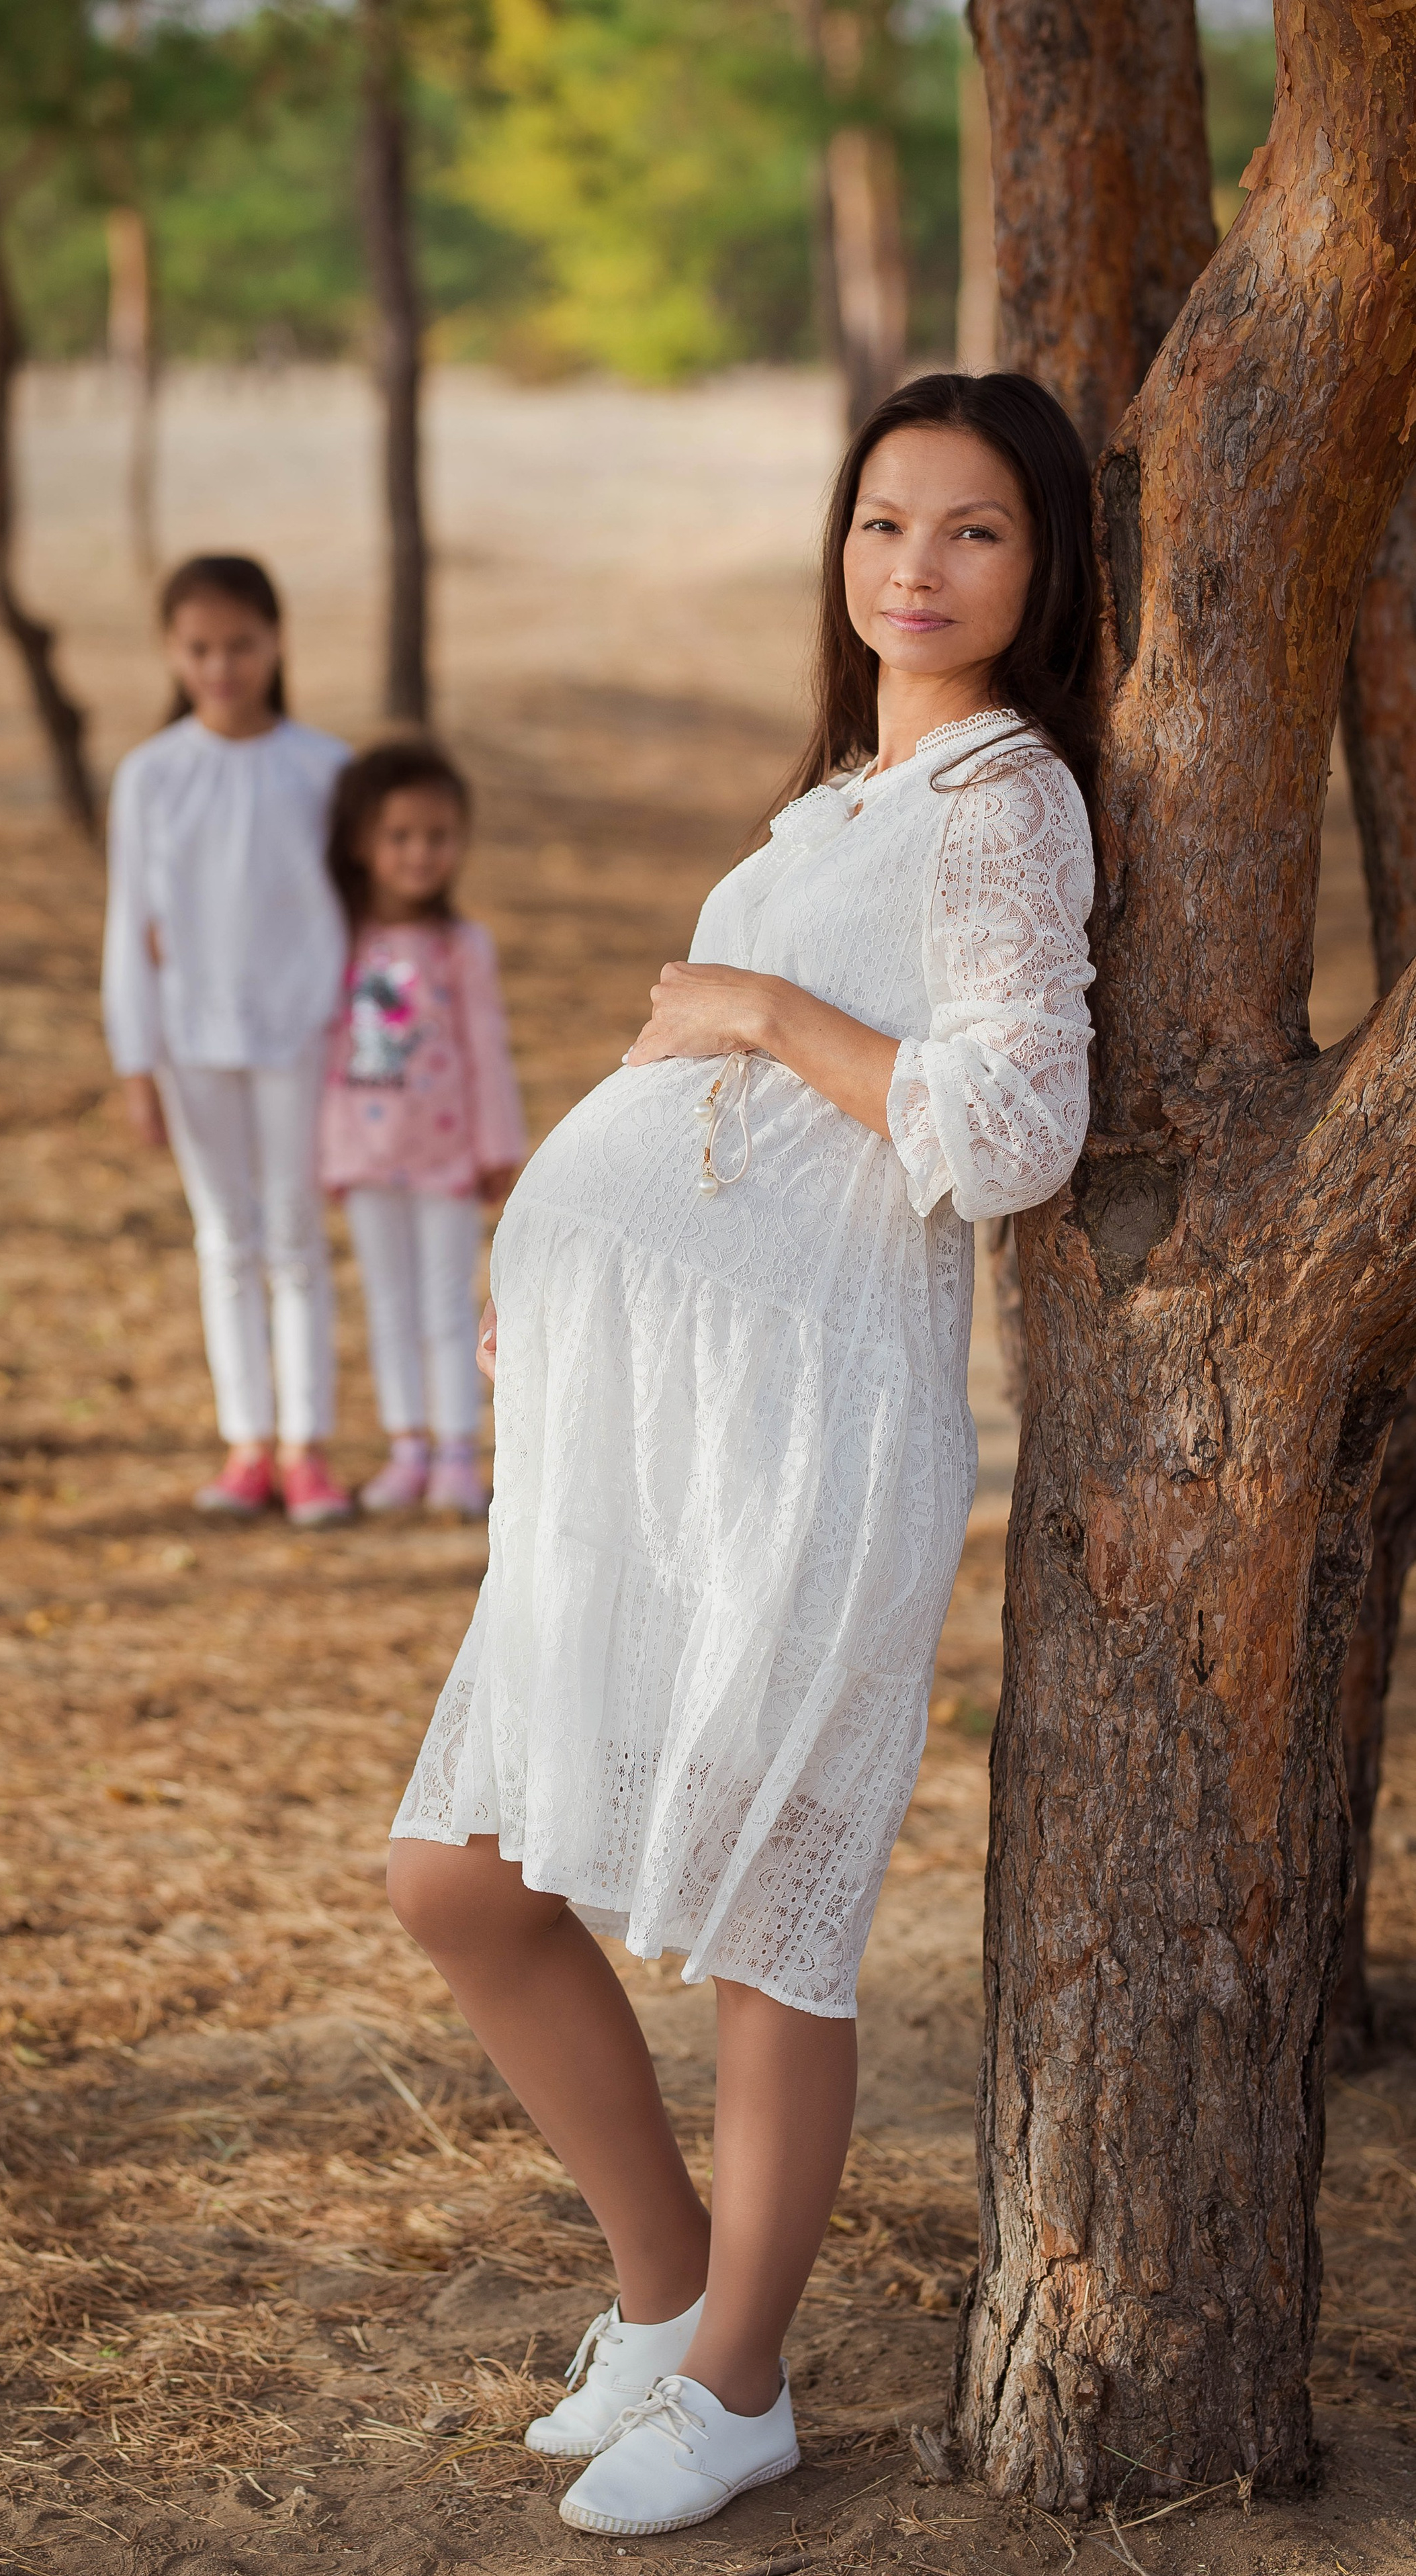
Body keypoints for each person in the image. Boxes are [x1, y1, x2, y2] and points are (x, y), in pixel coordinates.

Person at [385, 373, 1100, 2538]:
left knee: (767, 1929)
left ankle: (742, 2383)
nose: (915, 568)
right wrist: (556, 1235)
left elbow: (1008, 1130)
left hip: (802, 1427)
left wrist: (751, 1015)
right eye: (884, 522)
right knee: (460, 1879)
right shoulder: (840, 800)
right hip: (638, 1436)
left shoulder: (1003, 801)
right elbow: (706, 1079)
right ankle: (664, 2289)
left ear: (1043, 566)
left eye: (972, 532)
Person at [103, 553, 355, 1528]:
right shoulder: (152, 775)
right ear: (173, 652)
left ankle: (309, 1447)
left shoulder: (323, 768)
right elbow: (129, 924)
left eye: (240, 644)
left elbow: (347, 912)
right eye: (200, 647)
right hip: (188, 1040)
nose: (221, 666)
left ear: (275, 641)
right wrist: (134, 1062)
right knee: (225, 1238)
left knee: (294, 1235)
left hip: (300, 1034)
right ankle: (246, 1440)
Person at [320, 741, 525, 1520]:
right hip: (365, 1155)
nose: (419, 853)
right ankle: (405, 1448)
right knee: (387, 1303)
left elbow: (486, 1048)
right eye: (399, 836)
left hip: (445, 1157)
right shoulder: (336, 939)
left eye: (437, 835)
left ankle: (455, 1456)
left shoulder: (461, 946)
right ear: (361, 843)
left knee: (447, 1304)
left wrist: (497, 1145)